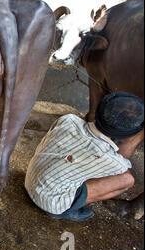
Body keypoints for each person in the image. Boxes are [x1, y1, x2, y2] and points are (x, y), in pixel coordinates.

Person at [25, 92, 144, 221]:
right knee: (127, 181)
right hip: (49, 203)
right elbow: (123, 171)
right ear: (126, 136)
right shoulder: (110, 160)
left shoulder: (69, 119)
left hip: (30, 180)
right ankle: (65, 210)